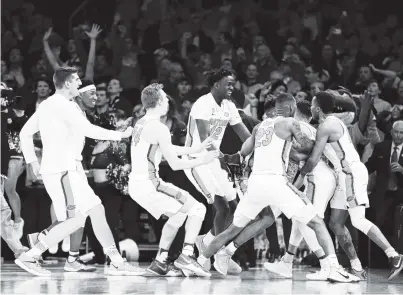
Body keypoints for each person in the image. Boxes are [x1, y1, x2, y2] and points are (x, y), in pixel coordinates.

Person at [196, 93, 359, 283]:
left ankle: (201, 261)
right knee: (316, 222)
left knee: (235, 228)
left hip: (255, 184)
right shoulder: (290, 123)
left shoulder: (259, 127)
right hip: (275, 182)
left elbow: (241, 154)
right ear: (291, 109)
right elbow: (308, 147)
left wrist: (221, 157)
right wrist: (318, 140)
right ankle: (333, 267)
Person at [16, 66, 143, 276]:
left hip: (67, 169)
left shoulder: (52, 105)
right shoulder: (61, 104)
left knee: (95, 210)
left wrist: (33, 162)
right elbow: (88, 130)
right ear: (67, 83)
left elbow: (25, 133)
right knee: (74, 220)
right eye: (75, 80)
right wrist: (122, 135)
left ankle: (117, 262)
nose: (78, 83)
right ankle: (30, 255)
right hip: (63, 170)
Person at [296, 91, 403, 281]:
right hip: (342, 175)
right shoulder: (331, 122)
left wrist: (299, 178)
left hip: (351, 173)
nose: (310, 108)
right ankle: (356, 267)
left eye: (312, 105)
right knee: (336, 224)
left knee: (358, 220)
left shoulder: (326, 126)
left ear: (318, 108)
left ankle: (394, 256)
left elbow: (313, 159)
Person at [264, 99, 367, 280]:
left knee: (306, 220)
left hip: (317, 177)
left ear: (293, 110)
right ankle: (287, 262)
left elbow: (306, 154)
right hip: (325, 177)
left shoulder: (298, 127)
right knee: (301, 220)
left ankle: (330, 265)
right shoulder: (311, 128)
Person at [129, 83, 219, 277]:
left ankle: (160, 262)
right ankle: (187, 255)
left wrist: (195, 150)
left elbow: (166, 148)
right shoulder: (158, 127)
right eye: (165, 98)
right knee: (198, 208)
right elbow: (175, 164)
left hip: (137, 184)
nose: (168, 101)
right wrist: (203, 159)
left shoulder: (140, 122)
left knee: (178, 215)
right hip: (150, 184)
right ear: (160, 102)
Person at [183, 69, 251, 273]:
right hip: (196, 160)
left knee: (234, 207)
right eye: (228, 84)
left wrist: (254, 149)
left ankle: (208, 242)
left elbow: (246, 135)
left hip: (213, 160)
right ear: (216, 85)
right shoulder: (202, 104)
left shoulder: (229, 106)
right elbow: (205, 139)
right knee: (221, 206)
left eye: (233, 84)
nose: (232, 88)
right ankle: (206, 255)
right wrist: (224, 157)